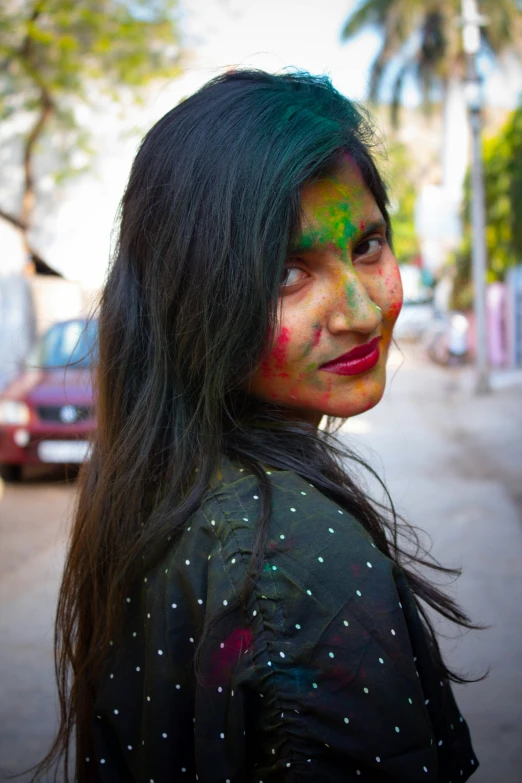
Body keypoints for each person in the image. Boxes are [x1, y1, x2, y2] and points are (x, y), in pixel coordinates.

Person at [35, 70, 481, 783]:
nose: (363, 311)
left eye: (367, 244)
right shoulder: (301, 556)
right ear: (195, 294)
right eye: (286, 273)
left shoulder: (169, 493)